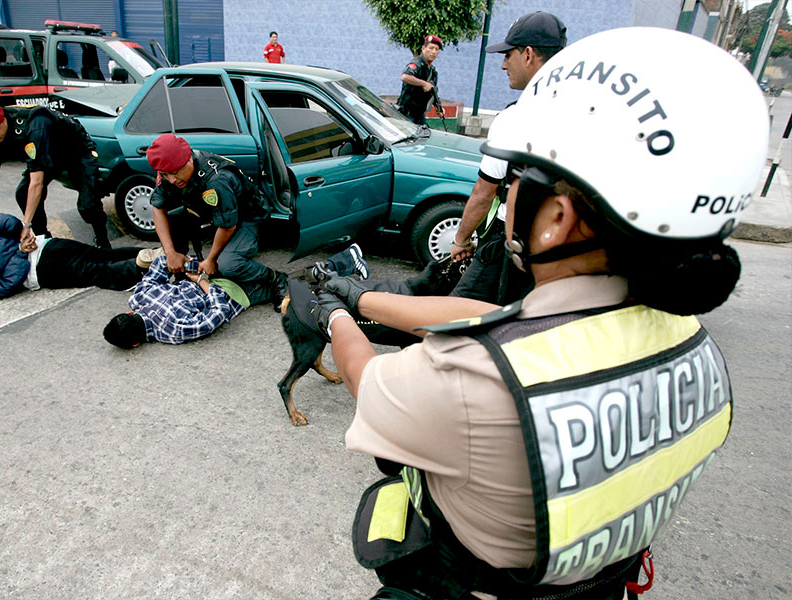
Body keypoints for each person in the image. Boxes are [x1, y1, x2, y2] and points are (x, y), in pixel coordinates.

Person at [314, 27, 767, 599]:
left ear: (555, 218)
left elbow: (369, 378)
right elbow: (498, 319)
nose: (508, 196)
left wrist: (334, 314)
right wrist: (361, 296)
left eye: (519, 180)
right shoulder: (699, 352)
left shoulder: (473, 380)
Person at [449, 11, 567, 304]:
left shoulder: (516, 117)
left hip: (511, 243)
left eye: (508, 55)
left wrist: (461, 239)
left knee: (456, 318)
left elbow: (483, 193)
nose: (503, 65)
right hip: (563, 244)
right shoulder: (583, 110)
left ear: (528, 55)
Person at [104, 244, 369, 348]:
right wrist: (193, 271)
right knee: (291, 284)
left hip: (228, 292)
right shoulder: (138, 298)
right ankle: (346, 260)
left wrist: (205, 284)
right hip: (206, 272)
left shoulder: (172, 332)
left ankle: (346, 261)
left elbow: (216, 314)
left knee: (295, 286)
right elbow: (163, 264)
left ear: (136, 344)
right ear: (128, 314)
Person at [145, 134, 287, 310]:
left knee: (228, 264)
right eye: (166, 175)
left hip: (249, 217)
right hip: (216, 215)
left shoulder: (216, 180)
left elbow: (228, 226)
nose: (172, 180)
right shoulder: (170, 171)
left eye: (174, 173)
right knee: (173, 218)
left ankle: (276, 279)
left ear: (189, 159)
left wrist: (211, 259)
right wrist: (170, 252)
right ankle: (182, 271)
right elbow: (158, 208)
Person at [0, 97, 112, 249]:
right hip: (49, 154)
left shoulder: (35, 125)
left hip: (77, 152)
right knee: (23, 195)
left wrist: (26, 224)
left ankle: (103, 242)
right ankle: (44, 240)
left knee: (88, 206)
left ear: (1, 121)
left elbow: (37, 182)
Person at [0, 213, 150, 301]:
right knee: (102, 254)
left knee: (99, 273)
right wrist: (23, 237)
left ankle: (152, 268)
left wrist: (20, 255)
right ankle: (159, 255)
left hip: (42, 272)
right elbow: (7, 221)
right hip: (47, 245)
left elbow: (6, 285)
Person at [396, 34, 442, 126]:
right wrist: (423, 84)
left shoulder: (432, 71)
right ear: (423, 48)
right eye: (431, 48)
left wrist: (439, 108)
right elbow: (405, 77)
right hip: (407, 114)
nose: (434, 52)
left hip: (419, 115)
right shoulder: (417, 64)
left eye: (437, 49)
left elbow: (432, 91)